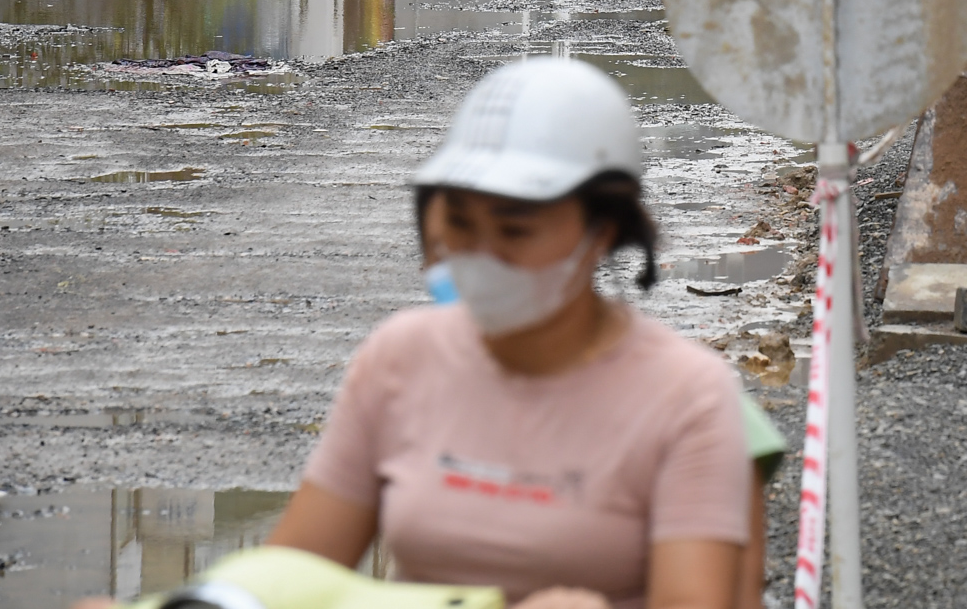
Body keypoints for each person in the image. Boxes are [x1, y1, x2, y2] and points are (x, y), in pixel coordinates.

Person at [266, 57, 752, 607]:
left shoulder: (686, 396)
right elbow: (293, 577)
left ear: (601, 231)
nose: (481, 255)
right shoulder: (400, 357)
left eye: (514, 229)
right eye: (461, 223)